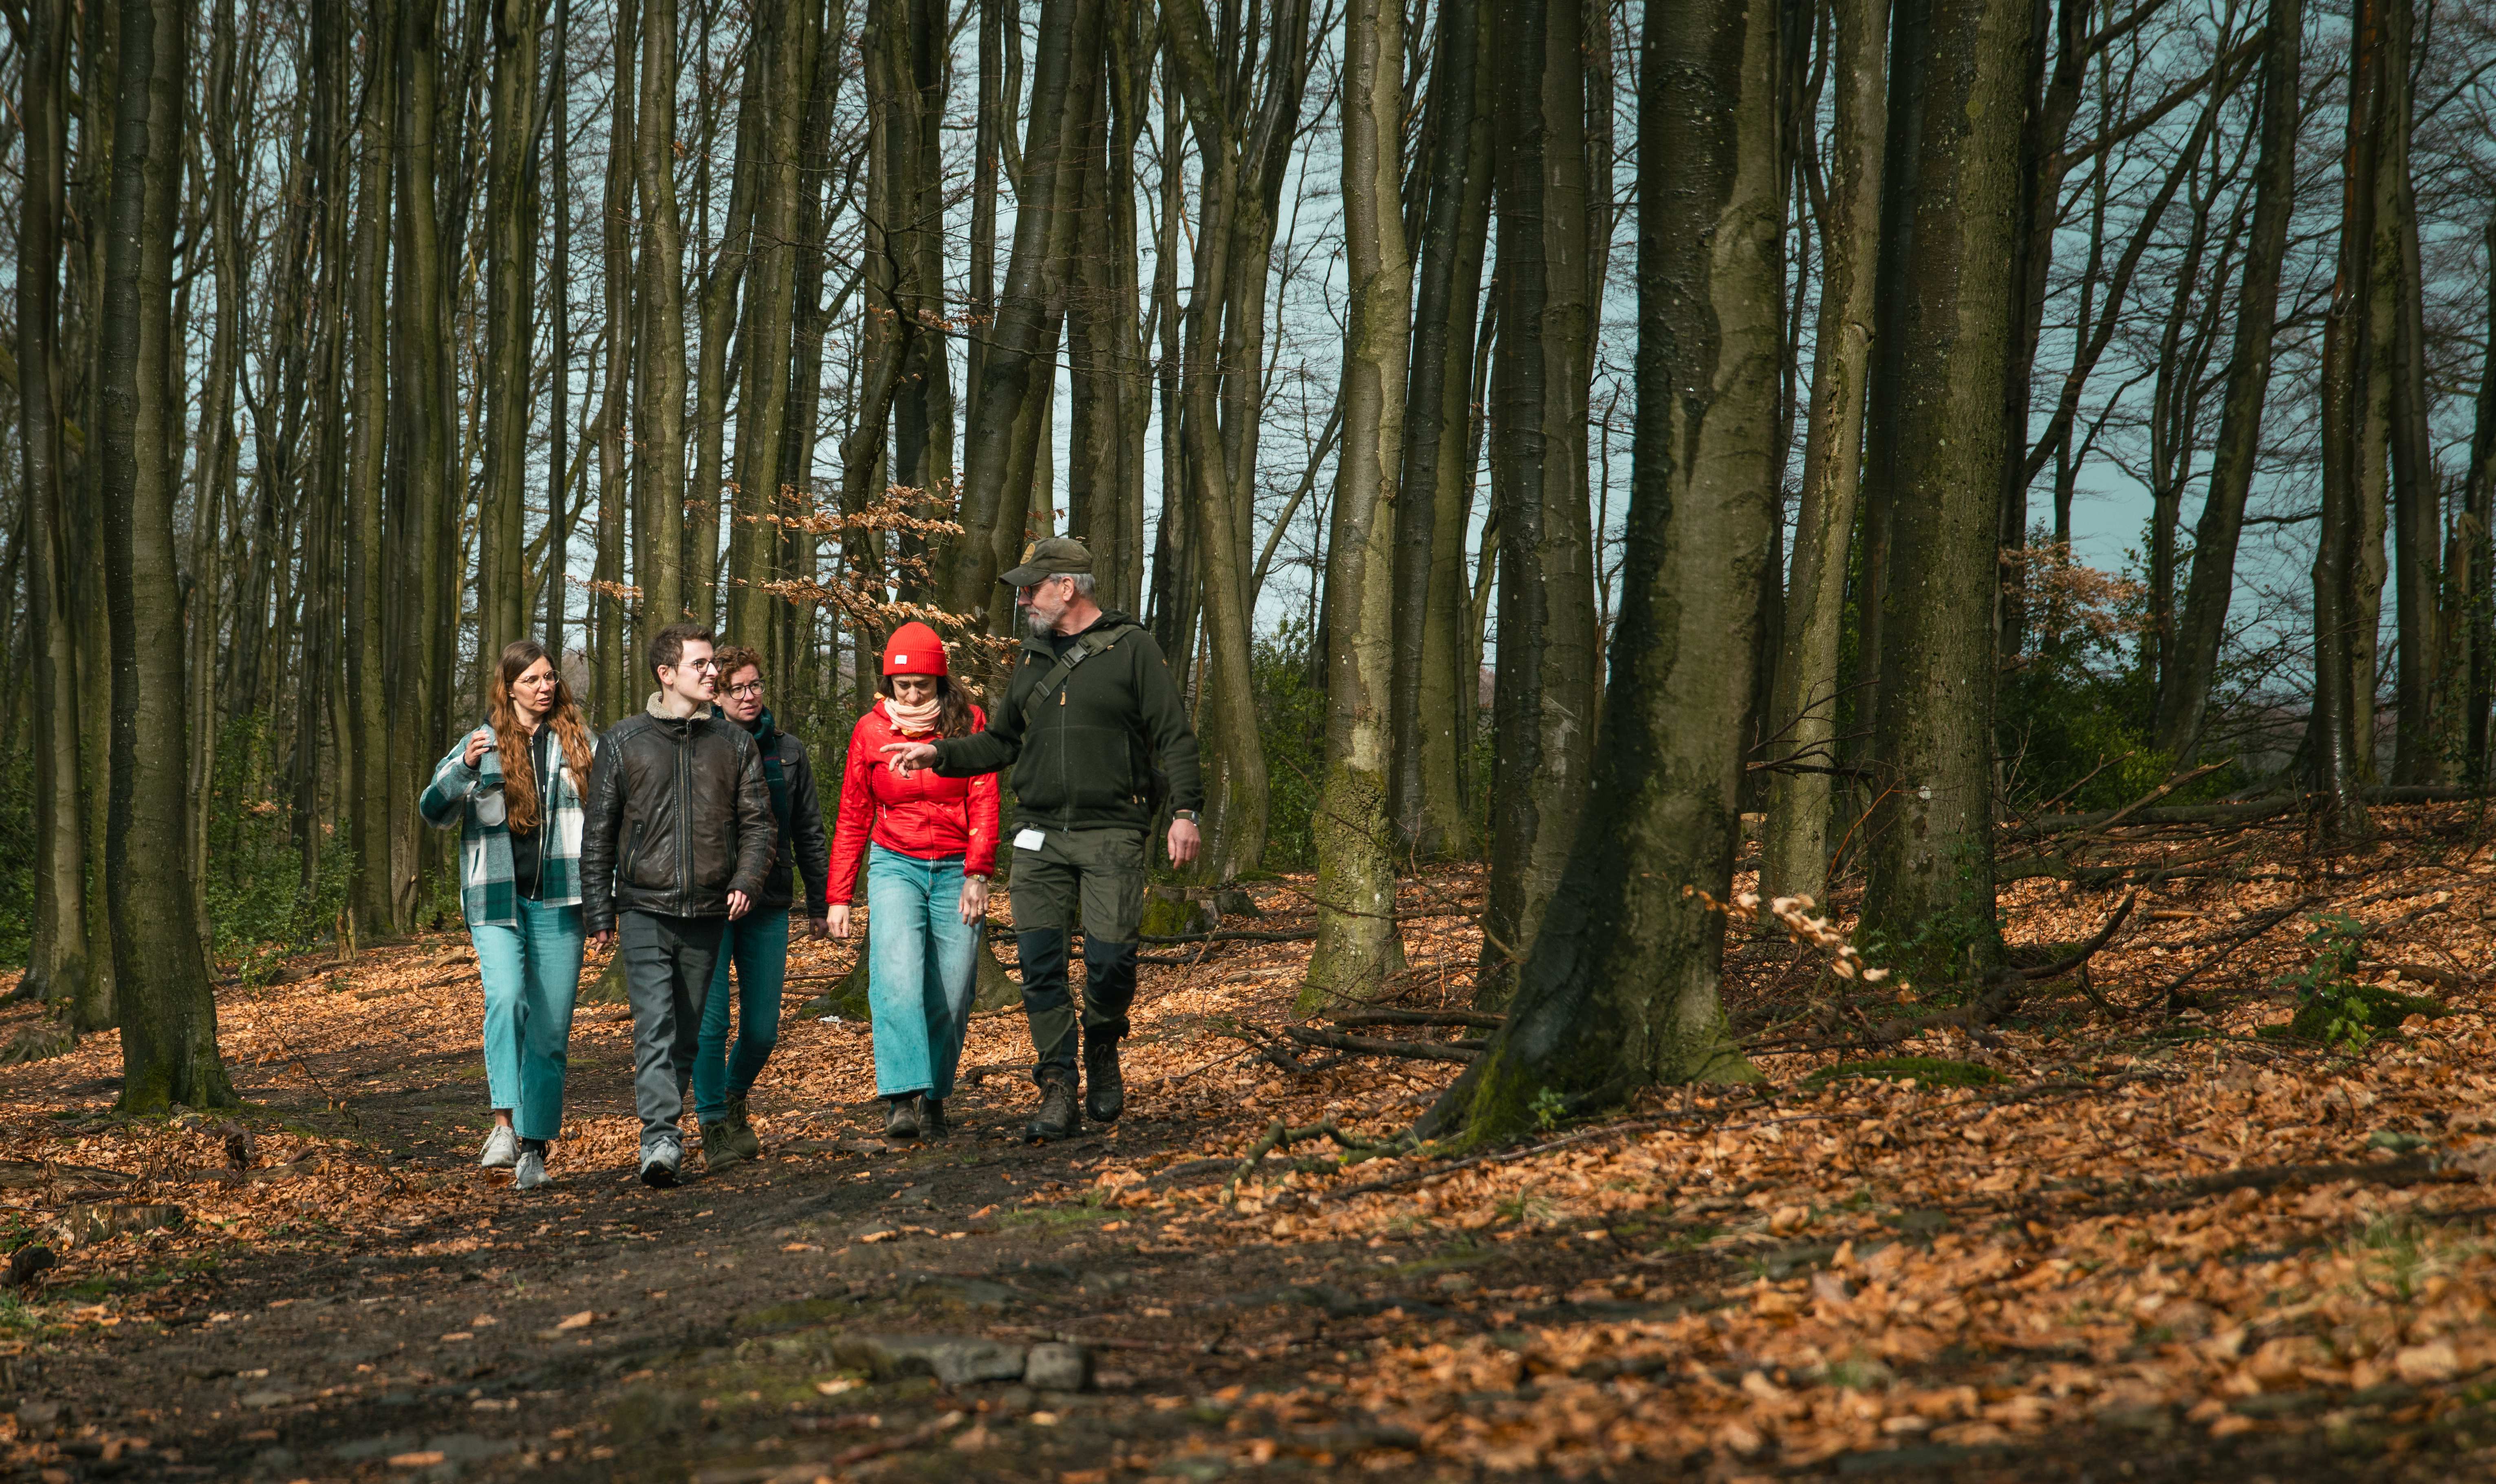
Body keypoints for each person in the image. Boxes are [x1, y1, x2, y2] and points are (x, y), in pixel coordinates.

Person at [885, 538, 1202, 1141]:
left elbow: (1176, 737)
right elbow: (1001, 743)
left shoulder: (1133, 648)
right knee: (1040, 967)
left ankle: (1103, 1039)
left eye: (1032, 587)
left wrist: (1186, 810)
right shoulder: (1031, 660)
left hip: (1111, 831)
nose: (1023, 598)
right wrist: (938, 752)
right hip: (1037, 835)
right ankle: (1058, 1084)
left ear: (1068, 586)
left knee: (1110, 963)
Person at [579, 623, 776, 1187]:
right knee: (655, 1025)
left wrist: (746, 879)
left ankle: (667, 1127)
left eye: (714, 663)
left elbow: (759, 823)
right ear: (666, 674)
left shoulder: (735, 743)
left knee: (687, 1033)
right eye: (701, 664)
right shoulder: (623, 741)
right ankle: (661, 1137)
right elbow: (600, 831)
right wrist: (600, 908)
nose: (713, 672)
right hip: (643, 906)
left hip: (712, 910)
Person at [418, 640, 601, 1192]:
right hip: (494, 898)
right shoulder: (481, 740)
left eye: (550, 678)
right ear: (510, 687)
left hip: (561, 900)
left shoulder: (581, 742)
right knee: (505, 998)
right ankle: (503, 1124)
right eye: (532, 680)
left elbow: (610, 816)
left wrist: (605, 898)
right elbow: (434, 808)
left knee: (549, 1031)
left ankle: (534, 1149)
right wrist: (466, 769)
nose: (545, 687)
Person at [826, 623, 1000, 1142]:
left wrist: (978, 872)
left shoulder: (969, 723)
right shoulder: (870, 731)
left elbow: (985, 800)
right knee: (896, 978)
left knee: (952, 990)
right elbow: (854, 814)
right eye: (903, 685)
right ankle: (901, 1099)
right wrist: (839, 896)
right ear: (889, 684)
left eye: (922, 683)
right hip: (894, 864)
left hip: (956, 870)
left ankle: (936, 1098)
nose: (913, 693)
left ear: (940, 680)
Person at [691, 645, 831, 1169]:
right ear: (716, 696)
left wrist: (821, 901)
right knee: (710, 1024)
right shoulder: (698, 744)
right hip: (707, 902)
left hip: (769, 900)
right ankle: (711, 1125)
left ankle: (732, 1097)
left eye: (755, 686)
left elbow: (809, 831)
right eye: (736, 689)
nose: (749, 697)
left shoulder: (788, 751)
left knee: (762, 1028)